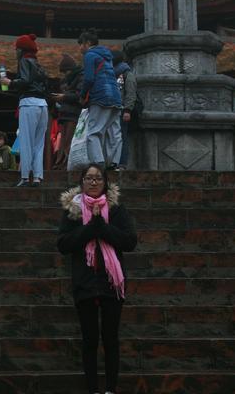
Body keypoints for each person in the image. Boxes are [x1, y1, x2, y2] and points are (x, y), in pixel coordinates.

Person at [57, 163, 137, 394]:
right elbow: (63, 244)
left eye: (98, 178)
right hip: (85, 281)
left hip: (112, 283)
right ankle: (92, 388)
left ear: (105, 182)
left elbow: (129, 241)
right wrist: (91, 227)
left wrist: (101, 225)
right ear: (82, 182)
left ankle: (110, 388)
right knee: (89, 339)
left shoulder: (116, 209)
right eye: (89, 178)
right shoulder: (72, 210)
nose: (93, 182)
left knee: (110, 338)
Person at [0, 34, 48, 187]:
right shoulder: (38, 64)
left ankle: (26, 177)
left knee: (26, 141)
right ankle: (38, 177)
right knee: (39, 143)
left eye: (17, 49)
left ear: (21, 50)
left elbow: (25, 81)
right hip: (43, 105)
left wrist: (9, 82)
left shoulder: (24, 61)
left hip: (28, 104)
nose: (16, 52)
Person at [78, 30, 123, 169]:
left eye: (81, 44)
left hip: (100, 96)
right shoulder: (107, 56)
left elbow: (89, 78)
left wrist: (82, 95)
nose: (80, 48)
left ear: (87, 43)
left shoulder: (90, 55)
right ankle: (112, 162)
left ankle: (98, 164)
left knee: (93, 132)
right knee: (112, 132)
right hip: (115, 97)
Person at [52, 54, 84, 168]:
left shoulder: (81, 77)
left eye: (66, 72)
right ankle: (60, 163)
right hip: (64, 114)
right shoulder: (66, 80)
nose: (65, 74)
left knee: (69, 142)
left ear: (71, 69)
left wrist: (64, 97)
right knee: (62, 142)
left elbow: (79, 96)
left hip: (74, 114)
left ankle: (68, 165)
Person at [112, 50, 137, 169]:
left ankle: (122, 163)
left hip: (122, 110)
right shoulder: (112, 73)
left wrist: (127, 110)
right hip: (112, 110)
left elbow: (131, 93)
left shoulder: (127, 73)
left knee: (122, 137)